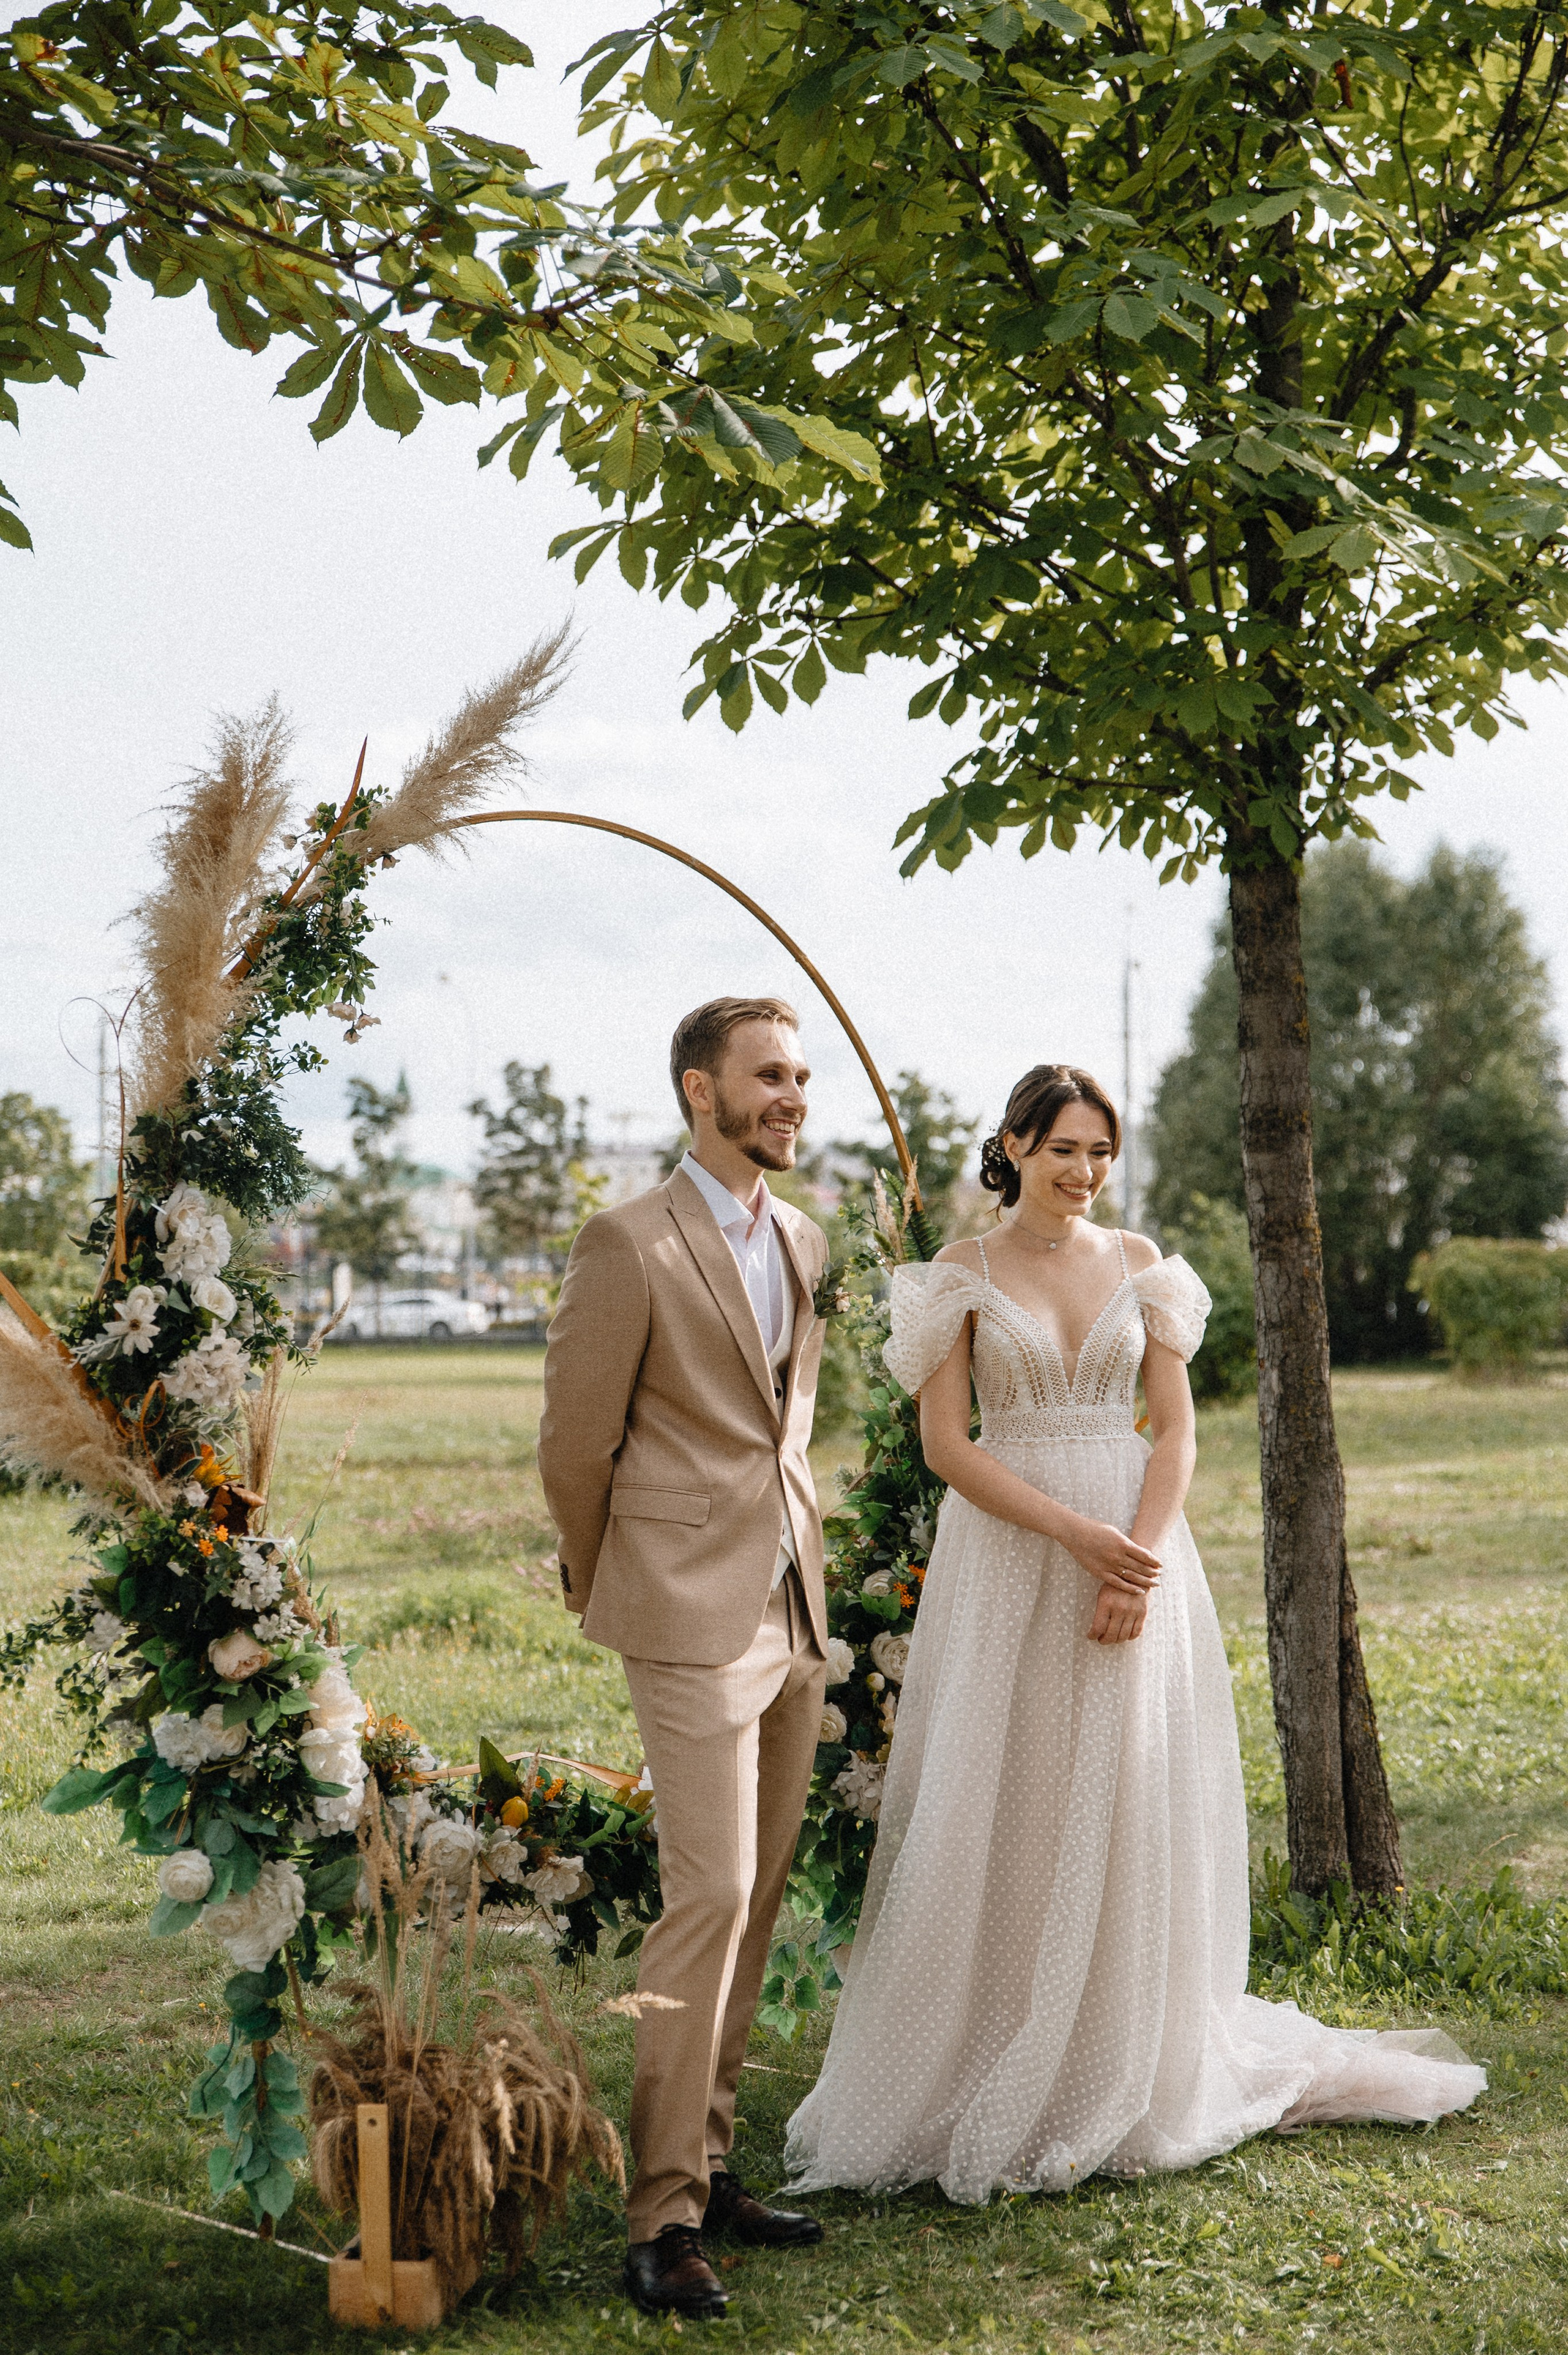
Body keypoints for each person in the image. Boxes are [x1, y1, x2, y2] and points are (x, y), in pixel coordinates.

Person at [786, 1063, 1485, 2202]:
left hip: (1140, 1554)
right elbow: (949, 1446)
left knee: (1123, 1790)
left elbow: (1174, 1431)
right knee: (1009, 1788)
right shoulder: (955, 1276)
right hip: (1014, 1553)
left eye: (1101, 1151)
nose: (1085, 1172)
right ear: (1011, 1146)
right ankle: (994, 2046)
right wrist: (1075, 1537)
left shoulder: (1147, 1267)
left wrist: (1139, 1561)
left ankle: (1123, 2053)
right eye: (1063, 1148)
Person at [539, 996, 832, 2318]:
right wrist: (605, 1573)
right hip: (677, 1601)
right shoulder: (627, 1241)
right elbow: (575, 1440)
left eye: (800, 1076)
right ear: (695, 1089)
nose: (790, 1094)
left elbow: (783, 1422)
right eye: (766, 1075)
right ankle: (656, 2220)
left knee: (757, 1894)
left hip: (789, 1601)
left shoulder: (805, 1236)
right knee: (703, 1893)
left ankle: (711, 2170)